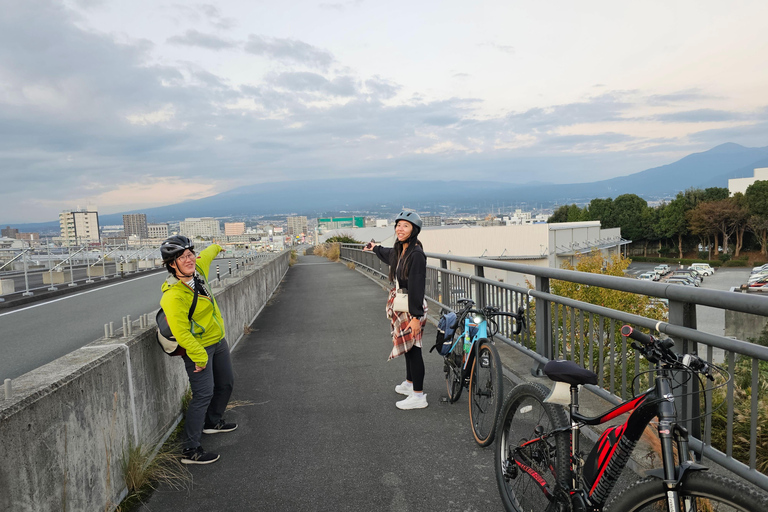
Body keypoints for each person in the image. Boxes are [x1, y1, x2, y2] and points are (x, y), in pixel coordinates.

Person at [159, 235, 237, 465]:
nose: (189, 259)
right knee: (203, 395)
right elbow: (182, 333)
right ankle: (190, 450)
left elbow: (207, 256)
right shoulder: (173, 296)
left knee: (226, 383)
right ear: (172, 264)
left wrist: (217, 246)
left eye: (190, 254)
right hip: (198, 349)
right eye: (182, 257)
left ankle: (213, 422)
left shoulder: (198, 273)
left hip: (217, 341)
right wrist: (200, 357)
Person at [363, 211, 428, 410]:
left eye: (405, 226)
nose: (400, 229)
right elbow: (388, 255)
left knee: (414, 349)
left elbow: (417, 285)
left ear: (414, 230)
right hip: (403, 305)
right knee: (408, 349)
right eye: (398, 225)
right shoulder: (402, 249)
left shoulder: (416, 254)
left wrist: (416, 317)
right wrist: (374, 248)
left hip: (412, 307)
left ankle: (419, 396)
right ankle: (410, 384)